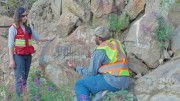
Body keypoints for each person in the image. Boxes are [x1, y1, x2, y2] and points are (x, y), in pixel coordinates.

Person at [67, 26, 129, 101]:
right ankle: (103, 94)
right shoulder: (117, 43)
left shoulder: (100, 50)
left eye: (95, 36)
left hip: (112, 82)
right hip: (125, 82)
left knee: (80, 84)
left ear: (99, 38)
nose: (94, 38)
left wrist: (75, 67)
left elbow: (90, 73)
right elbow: (116, 60)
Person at [8, 7, 55, 98]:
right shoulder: (13, 29)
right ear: (18, 16)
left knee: (24, 78)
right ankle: (20, 98)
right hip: (18, 57)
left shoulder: (29, 27)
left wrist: (49, 39)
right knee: (20, 79)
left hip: (28, 57)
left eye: (26, 15)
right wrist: (11, 60)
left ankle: (24, 97)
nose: (25, 17)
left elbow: (37, 38)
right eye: (23, 15)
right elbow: (10, 46)